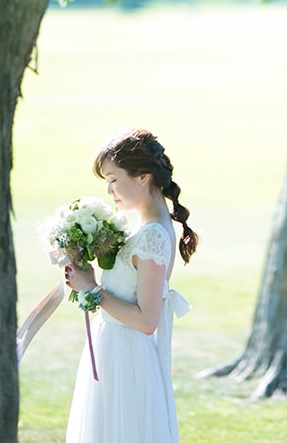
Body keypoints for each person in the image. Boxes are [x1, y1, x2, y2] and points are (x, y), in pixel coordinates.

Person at [64, 128, 198, 443]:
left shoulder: (152, 235)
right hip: (111, 345)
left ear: (142, 176)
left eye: (113, 179)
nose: (109, 191)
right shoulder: (139, 227)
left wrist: (92, 288)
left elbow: (146, 320)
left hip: (126, 355)